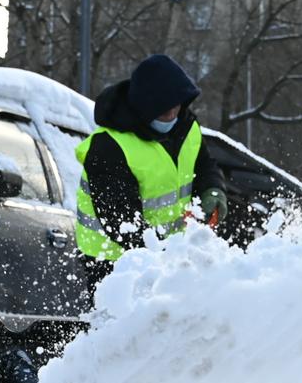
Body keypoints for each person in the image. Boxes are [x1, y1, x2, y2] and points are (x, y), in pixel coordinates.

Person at [73, 53, 228, 297]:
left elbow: (205, 165)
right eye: (163, 112)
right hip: (114, 264)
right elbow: (122, 222)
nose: (171, 116)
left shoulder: (186, 127)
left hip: (167, 256)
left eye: (175, 108)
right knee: (124, 330)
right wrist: (166, 256)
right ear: (145, 108)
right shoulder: (109, 147)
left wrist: (213, 190)